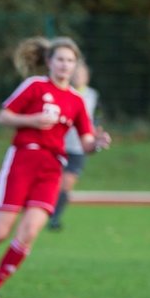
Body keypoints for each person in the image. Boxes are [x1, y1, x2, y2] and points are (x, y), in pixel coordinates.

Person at [0, 37, 111, 298]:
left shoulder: (76, 100)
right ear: (49, 61)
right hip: (22, 162)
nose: (65, 65)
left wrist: (99, 144)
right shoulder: (35, 86)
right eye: (60, 59)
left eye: (70, 61)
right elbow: (3, 116)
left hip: (51, 169)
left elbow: (87, 143)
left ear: (75, 66)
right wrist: (32, 120)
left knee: (30, 231)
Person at [47, 58, 100, 231]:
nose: (79, 76)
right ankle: (42, 209)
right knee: (51, 181)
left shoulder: (92, 95)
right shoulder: (63, 93)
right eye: (76, 73)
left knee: (67, 183)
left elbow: (95, 120)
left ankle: (55, 217)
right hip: (59, 145)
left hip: (78, 148)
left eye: (82, 73)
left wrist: (96, 138)